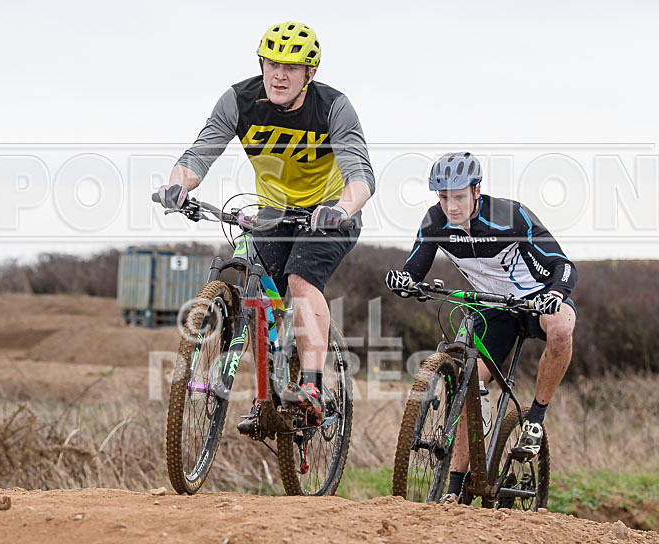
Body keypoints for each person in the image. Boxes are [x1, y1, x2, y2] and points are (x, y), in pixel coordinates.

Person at [157, 21, 375, 430]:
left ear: (310, 74)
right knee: (251, 288)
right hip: (274, 213)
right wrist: (177, 186)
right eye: (271, 64)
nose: (278, 74)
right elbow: (199, 153)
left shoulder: (333, 107)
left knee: (300, 281)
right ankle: (269, 396)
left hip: (328, 214)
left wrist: (343, 207)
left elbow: (361, 175)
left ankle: (311, 385)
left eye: (291, 67)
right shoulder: (239, 100)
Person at [385, 152, 577, 504]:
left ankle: (535, 418)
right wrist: (404, 280)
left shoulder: (510, 216)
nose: (451, 206)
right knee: (468, 381)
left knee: (562, 324)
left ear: (476, 191)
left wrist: (554, 294)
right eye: (444, 198)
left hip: (534, 301)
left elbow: (563, 267)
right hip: (492, 309)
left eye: (458, 197)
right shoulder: (434, 222)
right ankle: (456, 488)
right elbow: (415, 267)